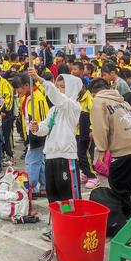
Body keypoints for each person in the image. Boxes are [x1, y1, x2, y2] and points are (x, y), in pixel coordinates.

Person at [28, 68, 82, 243]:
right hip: (50, 156)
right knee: (54, 197)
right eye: (58, 87)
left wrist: (40, 80)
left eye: (63, 87)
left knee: (68, 197)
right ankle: (57, 228)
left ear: (72, 89)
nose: (59, 90)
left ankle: (73, 228)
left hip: (66, 158)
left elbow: (59, 98)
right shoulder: (54, 110)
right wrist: (37, 129)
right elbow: (46, 128)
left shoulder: (72, 107)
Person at [89, 78, 131, 218]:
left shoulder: (99, 101)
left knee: (117, 187)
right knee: (125, 186)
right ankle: (127, 217)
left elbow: (100, 127)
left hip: (122, 149)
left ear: (93, 93)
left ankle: (121, 221)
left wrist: (101, 151)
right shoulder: (123, 102)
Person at [14, 73, 49, 198]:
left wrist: (37, 134)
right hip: (32, 133)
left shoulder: (36, 97)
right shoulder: (29, 97)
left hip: (37, 133)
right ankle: (44, 187)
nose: (18, 91)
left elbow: (41, 118)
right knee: (39, 160)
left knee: (31, 161)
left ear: (27, 85)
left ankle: (30, 187)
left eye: (19, 88)